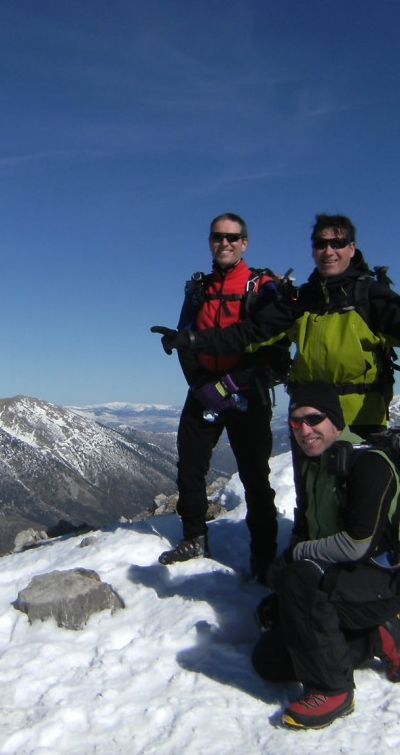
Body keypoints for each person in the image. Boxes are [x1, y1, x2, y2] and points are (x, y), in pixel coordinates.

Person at [155, 213, 400, 438]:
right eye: (321, 244)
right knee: (314, 504)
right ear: (313, 250)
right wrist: (193, 340)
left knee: (363, 506)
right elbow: (250, 334)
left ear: (352, 248)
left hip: (361, 417)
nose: (329, 251)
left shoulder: (373, 297)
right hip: (309, 417)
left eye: (337, 243)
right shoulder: (299, 301)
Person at [252, 382, 400, 730]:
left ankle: (333, 689)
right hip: (343, 581)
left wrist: (297, 555)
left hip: (385, 580)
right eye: (295, 423)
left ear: (336, 422)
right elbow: (310, 527)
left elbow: (357, 544)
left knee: (298, 578)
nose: (304, 430)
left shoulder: (369, 462)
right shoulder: (315, 463)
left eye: (314, 419)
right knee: (269, 660)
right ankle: (374, 636)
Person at [153, 213, 290, 582]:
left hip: (248, 391)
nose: (225, 243)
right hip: (204, 389)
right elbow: (186, 337)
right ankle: (195, 536)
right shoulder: (199, 289)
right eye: (218, 237)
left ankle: (263, 556)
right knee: (190, 467)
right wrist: (201, 386)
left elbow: (270, 346)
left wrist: (229, 384)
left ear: (245, 242)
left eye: (233, 237)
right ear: (210, 242)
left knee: (255, 477)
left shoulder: (261, 287)